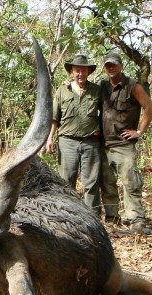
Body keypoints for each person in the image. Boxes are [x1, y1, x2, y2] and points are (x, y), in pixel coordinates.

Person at [99, 52, 152, 235]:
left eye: (114, 64)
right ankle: (112, 219)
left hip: (123, 145)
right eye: (108, 65)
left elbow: (149, 106)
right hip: (103, 145)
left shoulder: (133, 86)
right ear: (104, 67)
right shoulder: (101, 86)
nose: (111, 68)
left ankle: (136, 221)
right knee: (107, 183)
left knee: (131, 183)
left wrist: (139, 131)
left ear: (121, 65)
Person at [45, 54, 101, 214]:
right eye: (77, 71)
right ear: (72, 71)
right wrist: (49, 138)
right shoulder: (62, 90)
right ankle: (67, 215)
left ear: (89, 71)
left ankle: (93, 217)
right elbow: (54, 117)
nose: (80, 74)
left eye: (83, 70)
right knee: (66, 181)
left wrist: (102, 129)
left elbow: (107, 114)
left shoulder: (97, 90)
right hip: (67, 142)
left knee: (91, 182)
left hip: (91, 142)